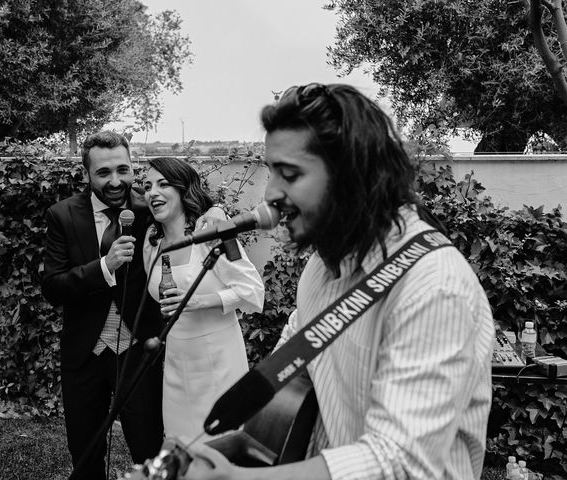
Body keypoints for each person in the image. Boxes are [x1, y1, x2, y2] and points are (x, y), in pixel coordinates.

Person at [181, 84, 495, 480]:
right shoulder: (320, 268)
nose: (269, 194)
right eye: (270, 172)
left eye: (289, 174)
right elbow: (291, 372)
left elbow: (401, 463)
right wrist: (230, 445)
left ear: (351, 177)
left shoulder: (435, 287)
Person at [41, 131, 224, 480]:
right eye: (103, 173)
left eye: (122, 170)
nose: (115, 181)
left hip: (139, 349)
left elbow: (192, 202)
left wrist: (216, 208)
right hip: (84, 353)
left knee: (148, 443)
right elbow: (52, 287)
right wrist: (104, 267)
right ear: (86, 174)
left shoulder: (149, 210)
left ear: (132, 167)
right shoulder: (61, 216)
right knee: (85, 446)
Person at [142, 157, 264, 441]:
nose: (152, 192)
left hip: (218, 365)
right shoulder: (151, 244)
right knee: (181, 448)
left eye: (163, 184)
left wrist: (197, 301)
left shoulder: (212, 234)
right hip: (175, 365)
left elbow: (253, 291)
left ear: (183, 190)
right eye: (147, 186)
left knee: (220, 446)